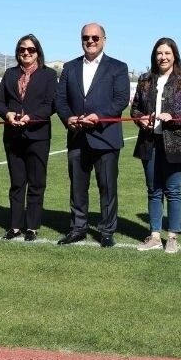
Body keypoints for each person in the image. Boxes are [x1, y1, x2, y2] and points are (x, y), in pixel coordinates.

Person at [54, 22, 130, 247]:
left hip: (105, 137)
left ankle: (106, 231)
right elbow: (60, 99)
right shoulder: (70, 67)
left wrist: (99, 116)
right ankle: (78, 228)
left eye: (95, 37)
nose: (90, 41)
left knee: (107, 187)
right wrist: (68, 118)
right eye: (86, 37)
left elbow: (121, 100)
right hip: (77, 137)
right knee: (78, 187)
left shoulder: (118, 67)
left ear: (104, 40)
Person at [130, 37, 181, 253]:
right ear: (154, 56)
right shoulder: (145, 79)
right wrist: (140, 118)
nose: (163, 57)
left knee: (173, 190)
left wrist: (173, 116)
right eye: (159, 53)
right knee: (153, 190)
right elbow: (135, 108)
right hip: (149, 142)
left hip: (176, 143)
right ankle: (154, 236)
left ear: (174, 55)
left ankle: (172, 237)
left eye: (167, 53)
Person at [0, 34, 58, 242]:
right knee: (17, 183)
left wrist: (31, 117)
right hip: (13, 136)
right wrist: (7, 114)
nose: (26, 53)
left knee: (36, 183)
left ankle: (32, 227)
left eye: (30, 49)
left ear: (38, 52)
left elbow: (51, 105)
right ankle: (15, 226)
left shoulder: (48, 75)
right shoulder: (10, 74)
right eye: (22, 49)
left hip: (38, 136)